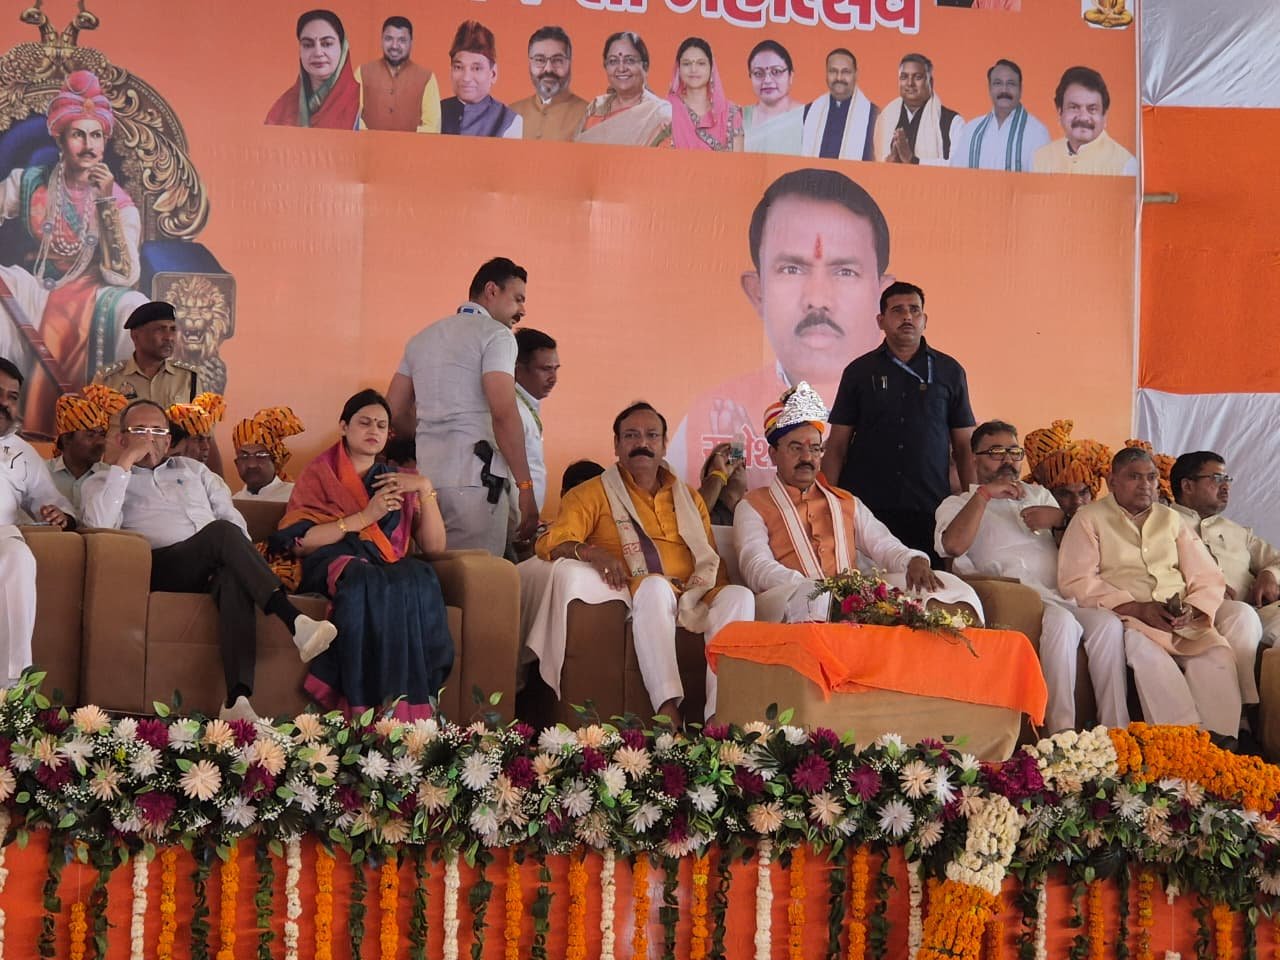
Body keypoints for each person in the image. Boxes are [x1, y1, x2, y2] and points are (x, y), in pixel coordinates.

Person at [80, 398, 336, 722]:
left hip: (214, 560)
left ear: (169, 441)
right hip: (161, 566)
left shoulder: (196, 471)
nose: (150, 439)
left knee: (232, 573)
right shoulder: (102, 481)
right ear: (120, 438)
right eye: (140, 431)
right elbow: (99, 526)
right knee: (220, 534)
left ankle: (237, 699)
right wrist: (126, 463)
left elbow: (234, 521)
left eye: (158, 432)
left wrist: (243, 566)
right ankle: (292, 620)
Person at [528, 402, 754, 723]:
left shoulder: (689, 498)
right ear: (617, 445)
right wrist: (593, 553)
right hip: (643, 592)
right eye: (631, 436)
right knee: (654, 587)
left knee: (739, 596)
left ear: (664, 445)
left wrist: (709, 591)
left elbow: (710, 558)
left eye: (652, 436)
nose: (642, 444)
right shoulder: (591, 494)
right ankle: (667, 710)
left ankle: (720, 717)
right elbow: (549, 541)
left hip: (695, 592)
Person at [670, 168, 893, 488]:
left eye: (845, 271)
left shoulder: (915, 415)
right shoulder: (711, 415)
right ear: (757, 291)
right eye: (792, 269)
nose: (818, 299)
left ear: (880, 294)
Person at [934, 420, 1128, 731]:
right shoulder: (957, 503)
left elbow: (1081, 546)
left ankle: (1117, 731)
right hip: (1014, 600)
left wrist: (1061, 519)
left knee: (1107, 624)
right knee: (1062, 623)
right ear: (974, 459)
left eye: (1014, 451)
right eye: (996, 452)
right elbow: (953, 546)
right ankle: (1061, 734)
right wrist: (983, 496)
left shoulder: (1039, 494)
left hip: (1062, 593)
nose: (1008, 459)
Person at [736, 383, 982, 624]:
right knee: (815, 599)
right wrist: (809, 585)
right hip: (785, 598)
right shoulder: (753, 505)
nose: (807, 458)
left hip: (848, 596)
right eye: (796, 448)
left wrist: (913, 560)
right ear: (772, 454)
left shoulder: (845, 501)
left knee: (947, 584)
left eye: (814, 448)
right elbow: (755, 565)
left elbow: (884, 545)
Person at [274, 389, 451, 719]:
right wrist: (365, 517)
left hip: (388, 568)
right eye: (365, 423)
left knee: (419, 575)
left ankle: (408, 710)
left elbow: (435, 548)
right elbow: (302, 541)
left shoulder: (395, 480)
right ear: (343, 426)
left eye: (382, 426)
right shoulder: (320, 474)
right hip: (332, 562)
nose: (374, 431)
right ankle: (360, 708)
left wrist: (425, 489)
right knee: (362, 578)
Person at [1058, 447, 1243, 742]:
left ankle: (1222, 750)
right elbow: (1076, 580)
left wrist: (1193, 610)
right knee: (1149, 659)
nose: (1145, 485)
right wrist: (1136, 607)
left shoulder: (1170, 519)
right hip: (1131, 619)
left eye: (1151, 477)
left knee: (1217, 654)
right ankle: (1180, 746)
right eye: (1134, 477)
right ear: (1112, 480)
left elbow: (1207, 575)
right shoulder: (1089, 518)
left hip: (1182, 620)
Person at [0, 70, 147, 437]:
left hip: (96, 293)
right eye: (78, 134)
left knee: (135, 307)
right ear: (60, 138)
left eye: (96, 135)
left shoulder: (121, 204)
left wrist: (106, 204)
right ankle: (7, 411)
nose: (88, 145)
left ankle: (107, 425)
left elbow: (123, 275)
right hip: (39, 287)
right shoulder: (30, 181)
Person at [386, 257, 538, 555]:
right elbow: (503, 412)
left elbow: (393, 410)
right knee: (478, 587)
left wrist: (433, 436)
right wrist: (525, 487)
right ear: (491, 290)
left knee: (440, 583)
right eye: (518, 299)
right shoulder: (496, 335)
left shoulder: (421, 339)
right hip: (476, 483)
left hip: (428, 484)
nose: (522, 311)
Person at [822, 282, 976, 562]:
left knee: (928, 593)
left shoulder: (949, 371)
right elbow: (837, 446)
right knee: (869, 594)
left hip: (930, 506)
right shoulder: (859, 371)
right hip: (867, 507)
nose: (907, 317)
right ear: (881, 321)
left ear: (924, 320)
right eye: (897, 310)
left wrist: (972, 501)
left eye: (914, 310)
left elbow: (964, 447)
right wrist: (826, 502)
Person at [1171, 451, 1278, 713]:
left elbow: (1275, 559)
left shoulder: (1236, 531)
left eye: (1227, 478)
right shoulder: (1163, 523)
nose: (1225, 486)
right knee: (1241, 616)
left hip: (1260, 611)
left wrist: (1269, 574)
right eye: (1216, 478)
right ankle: (1246, 713)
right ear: (1187, 485)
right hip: (1203, 611)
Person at [0, 357, 75, 685]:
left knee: (18, 557)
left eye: (12, 397)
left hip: (0, 537)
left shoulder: (21, 452)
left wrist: (61, 516)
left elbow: (54, 504)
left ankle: (12, 691)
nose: (4, 403)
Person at [264, 9, 359, 129]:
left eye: (327, 44)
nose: (318, 53)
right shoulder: (282, 108)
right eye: (308, 45)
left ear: (343, 48)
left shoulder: (363, 103)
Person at [1032, 66, 1136, 175]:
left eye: (1092, 109)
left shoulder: (1126, 165)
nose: (1083, 117)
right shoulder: (1039, 159)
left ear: (1104, 116)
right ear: (1060, 112)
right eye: (1074, 107)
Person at [575, 32, 672, 148]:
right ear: (606, 67)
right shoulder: (596, 108)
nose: (621, 68)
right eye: (613, 61)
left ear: (645, 67)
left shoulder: (660, 115)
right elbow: (575, 154)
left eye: (630, 60)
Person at [951, 59, 1049, 172]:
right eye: (998, 83)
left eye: (1011, 84)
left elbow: (1042, 185)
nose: (1004, 90)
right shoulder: (971, 130)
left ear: (1021, 89)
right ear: (989, 88)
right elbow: (957, 178)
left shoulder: (1037, 132)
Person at [873, 54, 964, 165]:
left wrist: (913, 160)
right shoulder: (884, 119)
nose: (910, 83)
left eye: (917, 77)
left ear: (930, 82)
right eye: (904, 77)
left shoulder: (952, 122)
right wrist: (888, 161)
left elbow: (959, 165)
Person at [356, 15, 441, 133]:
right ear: (381, 39)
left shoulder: (426, 78)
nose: (394, 46)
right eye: (389, 39)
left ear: (411, 42)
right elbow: (353, 117)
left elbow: (432, 126)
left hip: (411, 149)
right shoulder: (362, 72)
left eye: (402, 40)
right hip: (368, 148)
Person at [47, 384, 125, 510]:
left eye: (102, 434)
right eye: (91, 435)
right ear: (67, 439)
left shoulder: (110, 477)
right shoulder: (42, 474)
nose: (100, 442)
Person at [441, 21, 522, 139]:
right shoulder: (435, 113)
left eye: (476, 68)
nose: (466, 78)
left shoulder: (509, 121)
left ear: (493, 74)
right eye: (458, 67)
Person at [511, 26, 589, 142]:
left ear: (569, 62)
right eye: (540, 60)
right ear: (530, 63)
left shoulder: (589, 115)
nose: (548, 69)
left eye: (557, 60)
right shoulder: (511, 113)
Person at [800, 48, 878, 161]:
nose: (839, 78)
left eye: (846, 72)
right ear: (826, 74)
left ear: (856, 74)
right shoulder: (808, 113)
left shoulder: (875, 117)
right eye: (833, 71)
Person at [668, 37, 743, 152]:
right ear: (679, 68)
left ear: (711, 67)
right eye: (686, 64)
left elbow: (739, 164)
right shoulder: (666, 108)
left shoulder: (730, 113)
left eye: (701, 63)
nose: (693, 69)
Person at [513, 328, 559, 511]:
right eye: (546, 369)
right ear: (519, 369)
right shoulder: (512, 409)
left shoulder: (526, 406)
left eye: (556, 369)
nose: (553, 378)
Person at [742, 40, 804, 155]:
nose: (767, 80)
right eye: (758, 73)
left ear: (790, 75)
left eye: (776, 71)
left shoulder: (809, 117)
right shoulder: (737, 117)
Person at [232, 406, 305, 503]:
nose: (251, 464)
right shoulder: (233, 502)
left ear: (275, 460)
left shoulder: (296, 498)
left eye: (261, 455)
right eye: (244, 456)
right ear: (236, 463)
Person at [166, 392, 225, 466]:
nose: (206, 447)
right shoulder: (151, 475)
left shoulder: (210, 477)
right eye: (197, 439)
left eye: (208, 439)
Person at [699, 443, 747, 526]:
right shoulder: (695, 505)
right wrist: (720, 474)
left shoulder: (754, 513)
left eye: (741, 463)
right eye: (727, 461)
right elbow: (693, 517)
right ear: (706, 478)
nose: (734, 465)